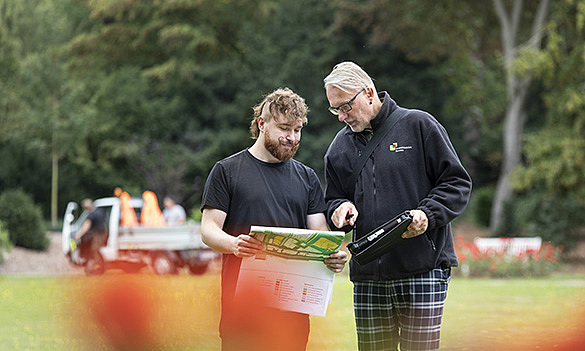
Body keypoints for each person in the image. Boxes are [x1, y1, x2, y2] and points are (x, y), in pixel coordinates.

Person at [322, 62, 472, 351]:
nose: (341, 117)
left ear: (368, 92)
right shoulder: (338, 148)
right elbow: (333, 198)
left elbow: (456, 183)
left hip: (422, 269)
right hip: (369, 278)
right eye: (335, 109)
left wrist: (427, 215)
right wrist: (339, 209)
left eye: (345, 106)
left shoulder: (419, 125)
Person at [200, 87, 348, 351]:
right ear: (262, 124)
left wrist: (333, 254)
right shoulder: (227, 171)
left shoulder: (307, 177)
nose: (292, 138)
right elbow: (209, 229)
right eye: (284, 128)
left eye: (298, 130)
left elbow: (321, 235)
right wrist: (235, 244)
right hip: (242, 313)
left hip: (293, 317)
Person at [74, 199, 107, 272]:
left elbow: (86, 226)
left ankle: (98, 266)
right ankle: (96, 266)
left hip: (98, 235)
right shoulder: (99, 211)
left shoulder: (91, 215)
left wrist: (78, 235)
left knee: (93, 250)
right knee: (94, 250)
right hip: (103, 233)